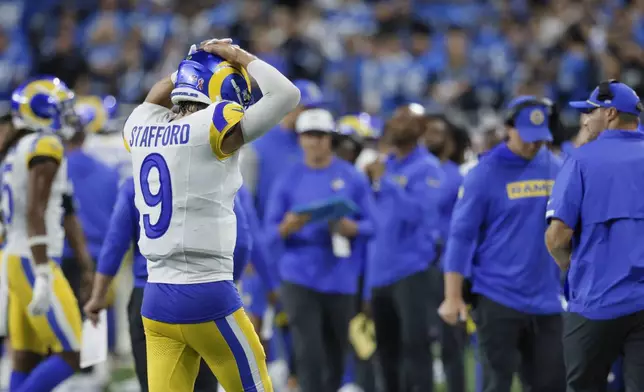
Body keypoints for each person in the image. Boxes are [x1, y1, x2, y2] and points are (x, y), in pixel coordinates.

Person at [95, 38, 299, 391]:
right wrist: (237, 56)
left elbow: (155, 95)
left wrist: (190, 67)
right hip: (206, 292)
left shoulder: (141, 124)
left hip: (156, 300)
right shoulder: (212, 124)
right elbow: (286, 95)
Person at [439, 96, 565, 392]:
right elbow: (460, 236)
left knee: (552, 384)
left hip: (546, 298)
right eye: (528, 137)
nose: (534, 145)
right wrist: (453, 296)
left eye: (540, 139)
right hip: (497, 295)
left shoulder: (557, 168)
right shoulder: (484, 174)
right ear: (509, 128)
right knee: (498, 384)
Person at [265, 108, 374, 392]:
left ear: (330, 139)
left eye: (321, 135)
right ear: (300, 139)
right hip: (299, 273)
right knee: (308, 351)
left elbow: (373, 224)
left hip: (340, 276)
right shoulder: (288, 178)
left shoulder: (351, 177)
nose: (315, 141)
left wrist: (354, 229)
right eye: (309, 135)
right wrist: (287, 226)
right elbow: (269, 231)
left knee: (337, 352)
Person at [545, 80, 644, 391]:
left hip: (596, 300)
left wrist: (569, 265)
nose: (585, 119)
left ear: (611, 113)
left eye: (591, 111)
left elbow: (557, 237)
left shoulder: (582, 159)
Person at [0, 76, 95, 392]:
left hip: (17, 256)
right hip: (33, 258)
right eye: (62, 107)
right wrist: (42, 271)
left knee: (26, 358)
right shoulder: (45, 144)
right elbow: (35, 211)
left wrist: (84, 263)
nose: (69, 115)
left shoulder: (18, 147)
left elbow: (63, 209)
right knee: (75, 351)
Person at [363, 103, 443, 392]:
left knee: (416, 348)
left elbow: (418, 214)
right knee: (386, 353)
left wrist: (386, 181)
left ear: (421, 129)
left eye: (407, 120)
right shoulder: (385, 164)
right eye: (396, 118)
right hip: (380, 273)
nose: (398, 124)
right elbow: (374, 223)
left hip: (412, 270)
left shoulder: (428, 167)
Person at [423, 113, 467, 392]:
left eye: (438, 132)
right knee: (417, 340)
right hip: (417, 265)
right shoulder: (413, 171)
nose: (431, 137)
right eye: (428, 132)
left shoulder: (456, 175)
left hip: (447, 264)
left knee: (452, 341)